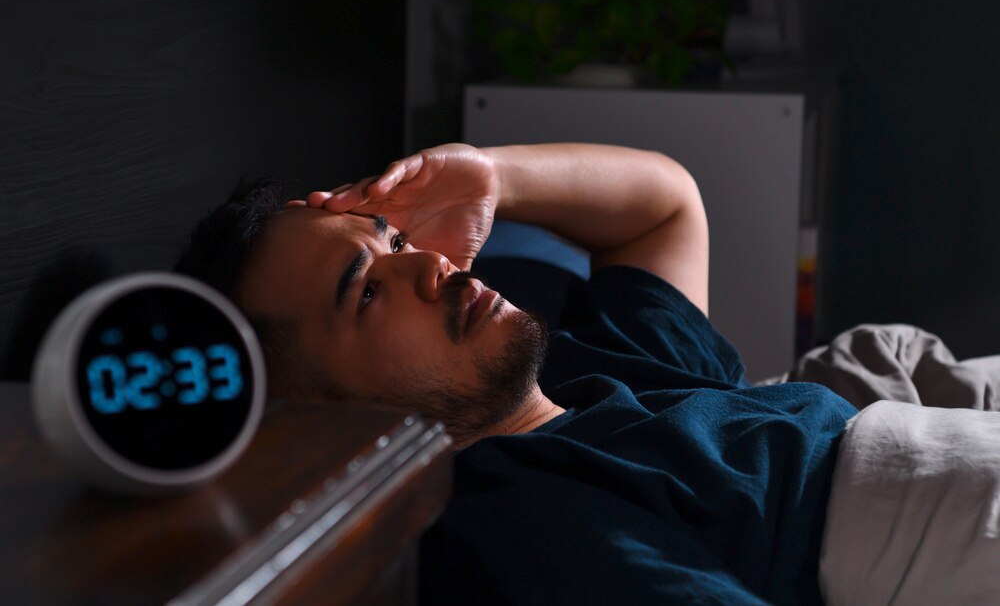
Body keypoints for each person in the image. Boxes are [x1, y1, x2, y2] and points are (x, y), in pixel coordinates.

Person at [176, 143, 1000, 605]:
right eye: (365, 292)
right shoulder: (502, 509)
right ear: (315, 417)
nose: (430, 265)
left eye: (395, 240)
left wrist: (493, 177)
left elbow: (666, 204)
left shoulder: (591, 373)